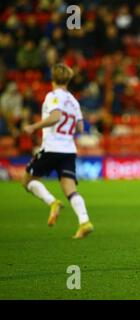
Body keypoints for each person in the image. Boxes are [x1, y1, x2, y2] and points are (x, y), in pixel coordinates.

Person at [22, 64, 94, 239]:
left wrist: (33, 126)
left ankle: (52, 202)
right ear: (68, 79)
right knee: (70, 189)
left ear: (52, 78)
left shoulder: (53, 96)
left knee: (27, 181)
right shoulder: (74, 101)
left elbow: (55, 116)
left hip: (52, 147)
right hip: (69, 150)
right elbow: (80, 127)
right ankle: (84, 221)